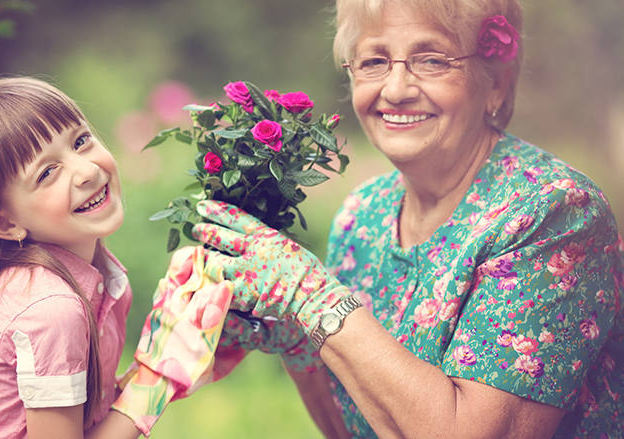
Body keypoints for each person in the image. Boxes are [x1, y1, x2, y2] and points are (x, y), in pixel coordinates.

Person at [192, 1, 624, 438]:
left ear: (495, 84)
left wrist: (313, 298)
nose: (396, 89)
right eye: (375, 61)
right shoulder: (362, 215)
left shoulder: (555, 212)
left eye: (432, 60)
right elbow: (356, 428)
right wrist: (298, 339)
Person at [0, 76, 232, 438]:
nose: (87, 171)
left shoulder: (92, 273)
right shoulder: (51, 309)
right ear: (5, 223)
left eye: (81, 141)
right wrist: (158, 378)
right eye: (47, 173)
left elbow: (88, 415)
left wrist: (178, 342)